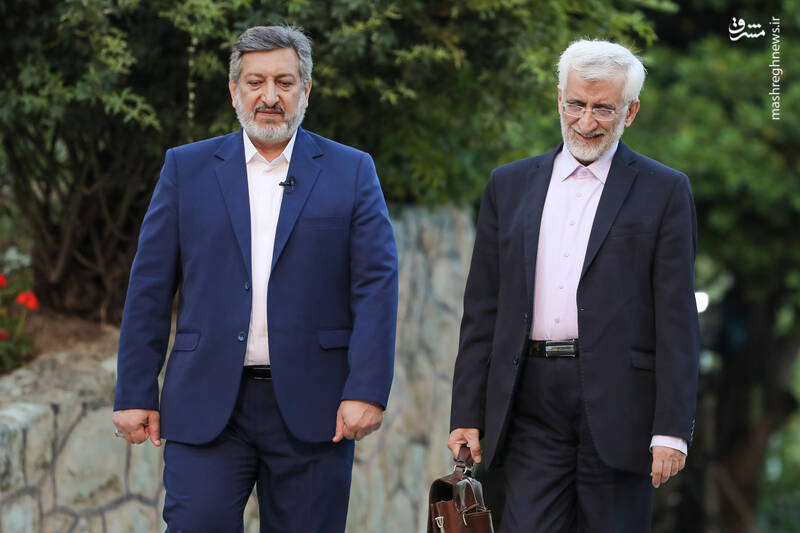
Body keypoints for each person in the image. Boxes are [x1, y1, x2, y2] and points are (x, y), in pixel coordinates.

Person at [112, 25, 398, 532]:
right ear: (233, 90)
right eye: (255, 82)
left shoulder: (352, 171)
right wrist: (135, 390)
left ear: (305, 90)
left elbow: (376, 286)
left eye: (284, 82)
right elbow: (150, 287)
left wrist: (367, 389)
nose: (269, 97)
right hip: (205, 404)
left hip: (317, 407)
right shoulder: (185, 168)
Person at [448, 39, 699, 532]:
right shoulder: (507, 185)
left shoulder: (666, 190)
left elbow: (677, 319)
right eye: (576, 105)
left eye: (603, 108)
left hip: (623, 403)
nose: (586, 122)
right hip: (530, 397)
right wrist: (466, 413)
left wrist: (672, 429)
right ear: (559, 99)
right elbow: (482, 310)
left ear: (630, 112)